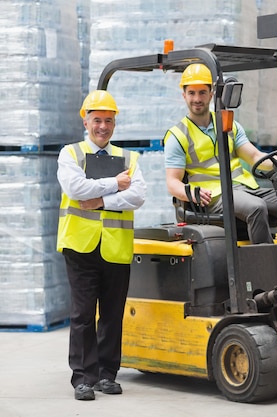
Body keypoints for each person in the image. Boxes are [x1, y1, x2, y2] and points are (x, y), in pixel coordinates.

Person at [56, 90, 147, 401]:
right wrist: (115, 184)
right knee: (83, 314)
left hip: (115, 247)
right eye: (97, 120)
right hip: (80, 246)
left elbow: (138, 196)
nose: (103, 127)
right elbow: (75, 187)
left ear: (114, 123)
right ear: (86, 121)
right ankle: (83, 377)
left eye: (108, 121)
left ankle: (107, 375)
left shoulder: (129, 158)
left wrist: (103, 200)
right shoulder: (71, 154)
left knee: (111, 314)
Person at [163, 63, 277, 244]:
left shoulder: (228, 124)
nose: (197, 98)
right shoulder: (178, 135)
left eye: (202, 92)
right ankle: (264, 269)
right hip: (214, 196)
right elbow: (173, 182)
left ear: (211, 94)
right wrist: (191, 193)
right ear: (184, 95)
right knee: (256, 208)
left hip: (244, 188)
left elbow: (255, 157)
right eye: (192, 93)